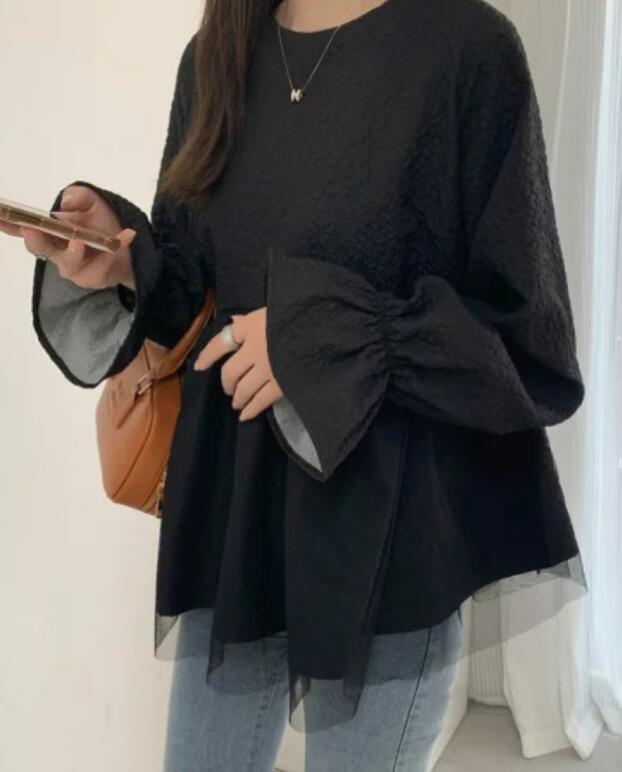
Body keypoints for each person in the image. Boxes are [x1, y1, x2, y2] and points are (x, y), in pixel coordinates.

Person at [3, 0, 589, 769]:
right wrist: (123, 261)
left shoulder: (465, 48)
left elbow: (523, 333)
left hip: (387, 528)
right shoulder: (213, 57)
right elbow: (200, 295)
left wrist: (321, 336)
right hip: (235, 520)